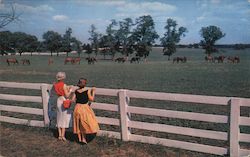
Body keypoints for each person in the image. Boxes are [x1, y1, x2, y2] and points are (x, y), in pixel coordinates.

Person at [72, 78, 99, 144]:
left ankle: (80, 138)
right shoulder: (88, 91)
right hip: (84, 108)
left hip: (77, 107)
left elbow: (73, 100)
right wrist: (93, 91)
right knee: (85, 123)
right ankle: (83, 139)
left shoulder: (76, 91)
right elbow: (91, 99)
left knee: (79, 123)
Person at [53, 72, 73, 141]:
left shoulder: (55, 85)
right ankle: (63, 136)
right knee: (64, 118)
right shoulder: (64, 85)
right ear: (63, 78)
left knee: (59, 117)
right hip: (63, 100)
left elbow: (58, 90)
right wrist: (70, 90)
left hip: (58, 100)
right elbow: (67, 95)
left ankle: (59, 135)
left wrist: (67, 87)